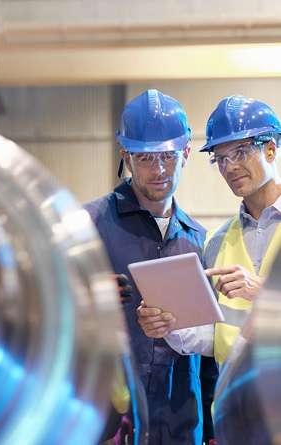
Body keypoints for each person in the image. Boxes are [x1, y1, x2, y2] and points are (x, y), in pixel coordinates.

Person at [85, 89, 217, 445]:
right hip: (107, 423)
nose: (158, 170)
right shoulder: (87, 225)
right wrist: (83, 294)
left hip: (181, 423)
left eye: (168, 157)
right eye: (145, 158)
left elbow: (210, 344)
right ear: (126, 156)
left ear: (186, 152)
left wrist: (212, 427)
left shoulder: (197, 238)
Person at [137, 95, 281, 367]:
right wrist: (168, 325)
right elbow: (214, 337)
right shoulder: (217, 241)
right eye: (221, 159)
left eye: (240, 152)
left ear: (271, 149)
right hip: (237, 403)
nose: (230, 167)